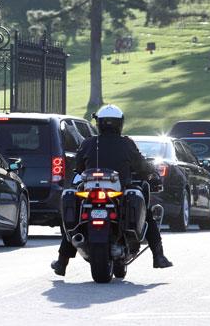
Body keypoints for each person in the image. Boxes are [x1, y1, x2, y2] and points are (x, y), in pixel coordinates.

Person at [51, 104, 173, 276]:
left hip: (90, 191)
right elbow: (141, 165)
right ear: (120, 123)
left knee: (75, 218)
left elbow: (78, 166)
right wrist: (150, 174)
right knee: (148, 215)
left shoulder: (88, 143)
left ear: (99, 123)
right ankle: (158, 256)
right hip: (119, 191)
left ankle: (62, 262)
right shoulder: (126, 143)